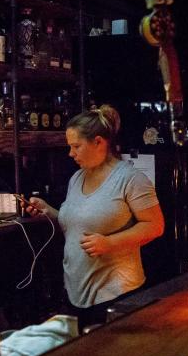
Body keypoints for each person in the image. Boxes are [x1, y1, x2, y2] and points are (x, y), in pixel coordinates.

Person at [25, 105, 164, 329]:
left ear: (99, 142)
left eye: (76, 146)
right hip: (75, 292)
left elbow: (155, 226)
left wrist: (109, 243)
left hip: (116, 294)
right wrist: (48, 211)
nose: (71, 153)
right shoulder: (77, 178)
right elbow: (78, 224)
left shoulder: (131, 179)